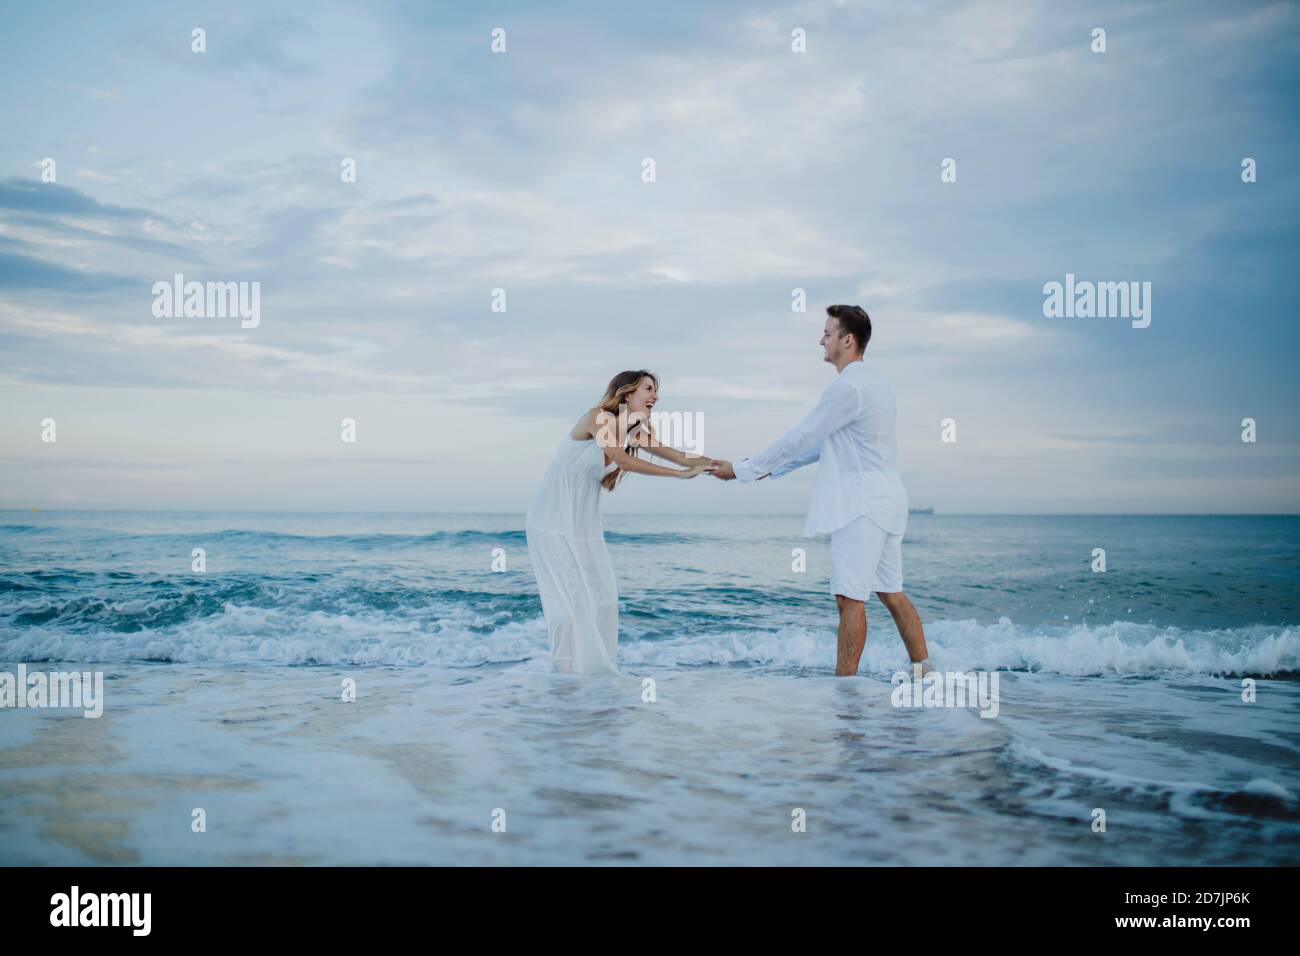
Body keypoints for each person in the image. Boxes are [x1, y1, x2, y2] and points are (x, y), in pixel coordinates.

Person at [712, 305, 933, 676]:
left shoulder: (847, 387)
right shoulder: (876, 383)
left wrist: (743, 470)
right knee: (891, 593)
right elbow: (824, 445)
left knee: (849, 598)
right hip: (887, 501)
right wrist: (771, 469)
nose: (821, 339)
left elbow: (804, 434)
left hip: (861, 506)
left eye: (828, 333)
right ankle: (923, 670)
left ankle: (844, 694)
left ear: (847, 340)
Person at [526, 370, 715, 674]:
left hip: (582, 525)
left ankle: (593, 676)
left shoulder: (634, 431)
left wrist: (721, 466)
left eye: (655, 391)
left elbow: (680, 457)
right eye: (648, 389)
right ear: (627, 393)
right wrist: (679, 476)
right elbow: (624, 460)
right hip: (551, 521)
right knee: (568, 606)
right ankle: (563, 682)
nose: (655, 396)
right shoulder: (597, 418)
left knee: (602, 599)